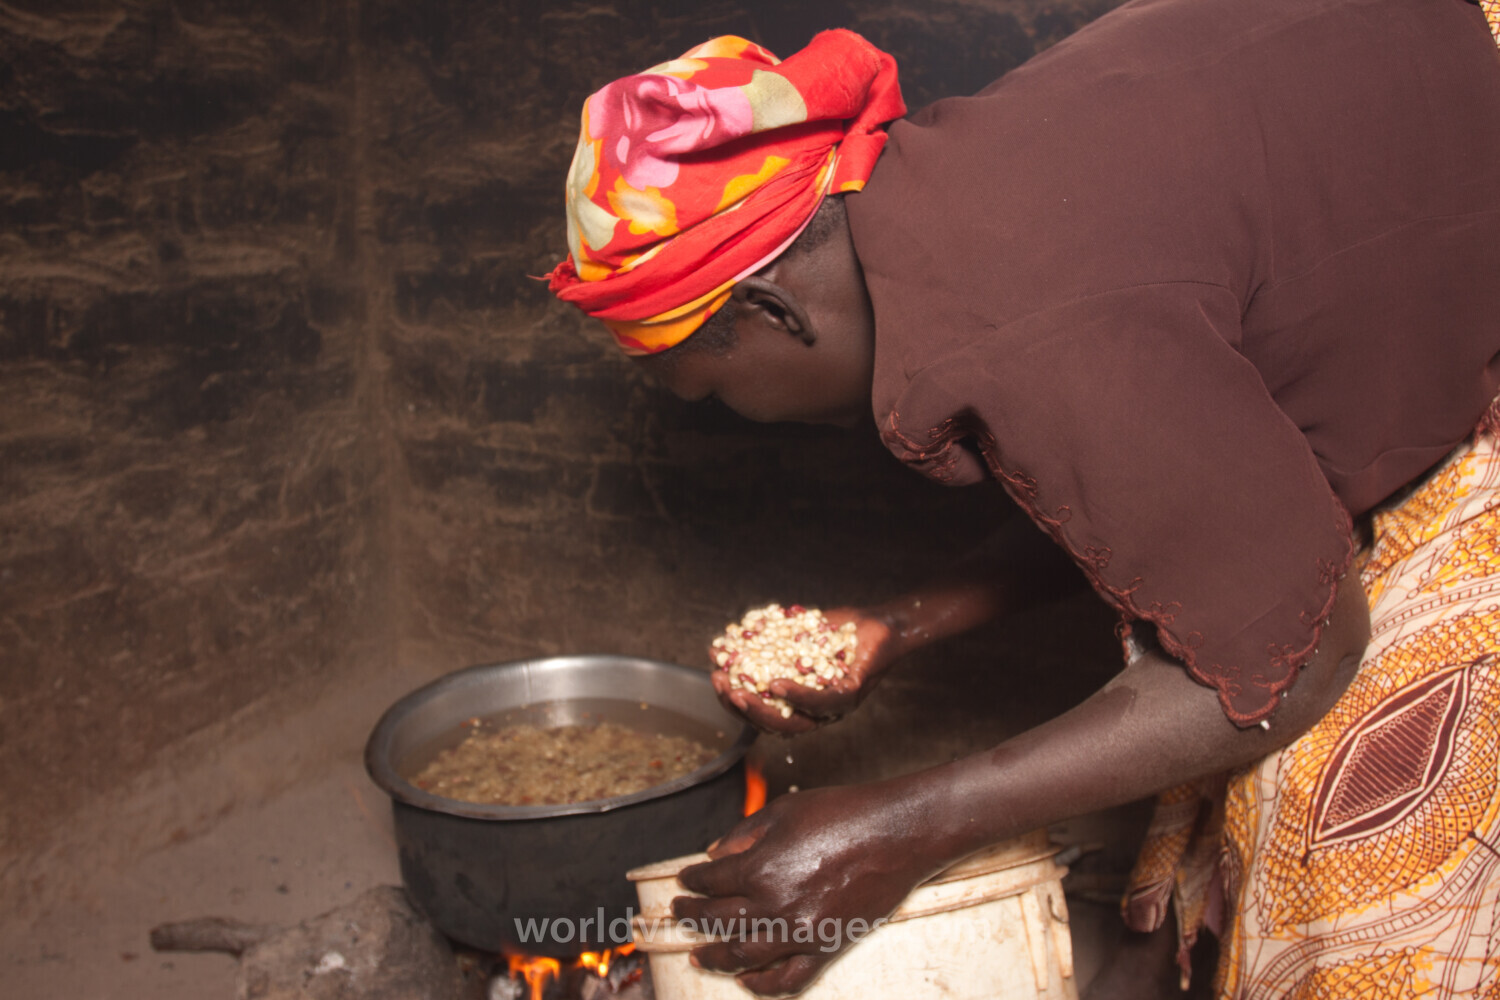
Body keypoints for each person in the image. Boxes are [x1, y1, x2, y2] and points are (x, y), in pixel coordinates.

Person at [546, 0, 1500, 995]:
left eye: (714, 390)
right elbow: (1152, 478)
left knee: (1331, 843)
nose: (739, 417)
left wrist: (906, 828)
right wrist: (896, 625)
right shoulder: (954, 198)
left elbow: (1302, 654)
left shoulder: (1030, 322)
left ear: (769, 308)